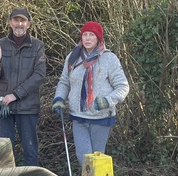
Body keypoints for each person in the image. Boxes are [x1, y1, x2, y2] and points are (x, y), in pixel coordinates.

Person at [53, 21, 130, 166]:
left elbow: (123, 86)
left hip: (101, 117)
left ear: (98, 39)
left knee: (98, 158)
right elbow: (64, 82)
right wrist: (59, 98)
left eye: (92, 35)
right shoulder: (73, 57)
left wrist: (107, 100)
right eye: (85, 35)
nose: (87, 38)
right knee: (84, 157)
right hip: (79, 116)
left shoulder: (109, 59)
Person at [0, 8, 46, 165]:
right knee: (4, 153)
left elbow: (39, 75)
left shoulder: (38, 46)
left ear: (29, 24)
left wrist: (15, 95)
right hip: (3, 106)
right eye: (15, 20)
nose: (19, 24)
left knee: (30, 151)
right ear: (10, 23)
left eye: (23, 21)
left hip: (27, 106)